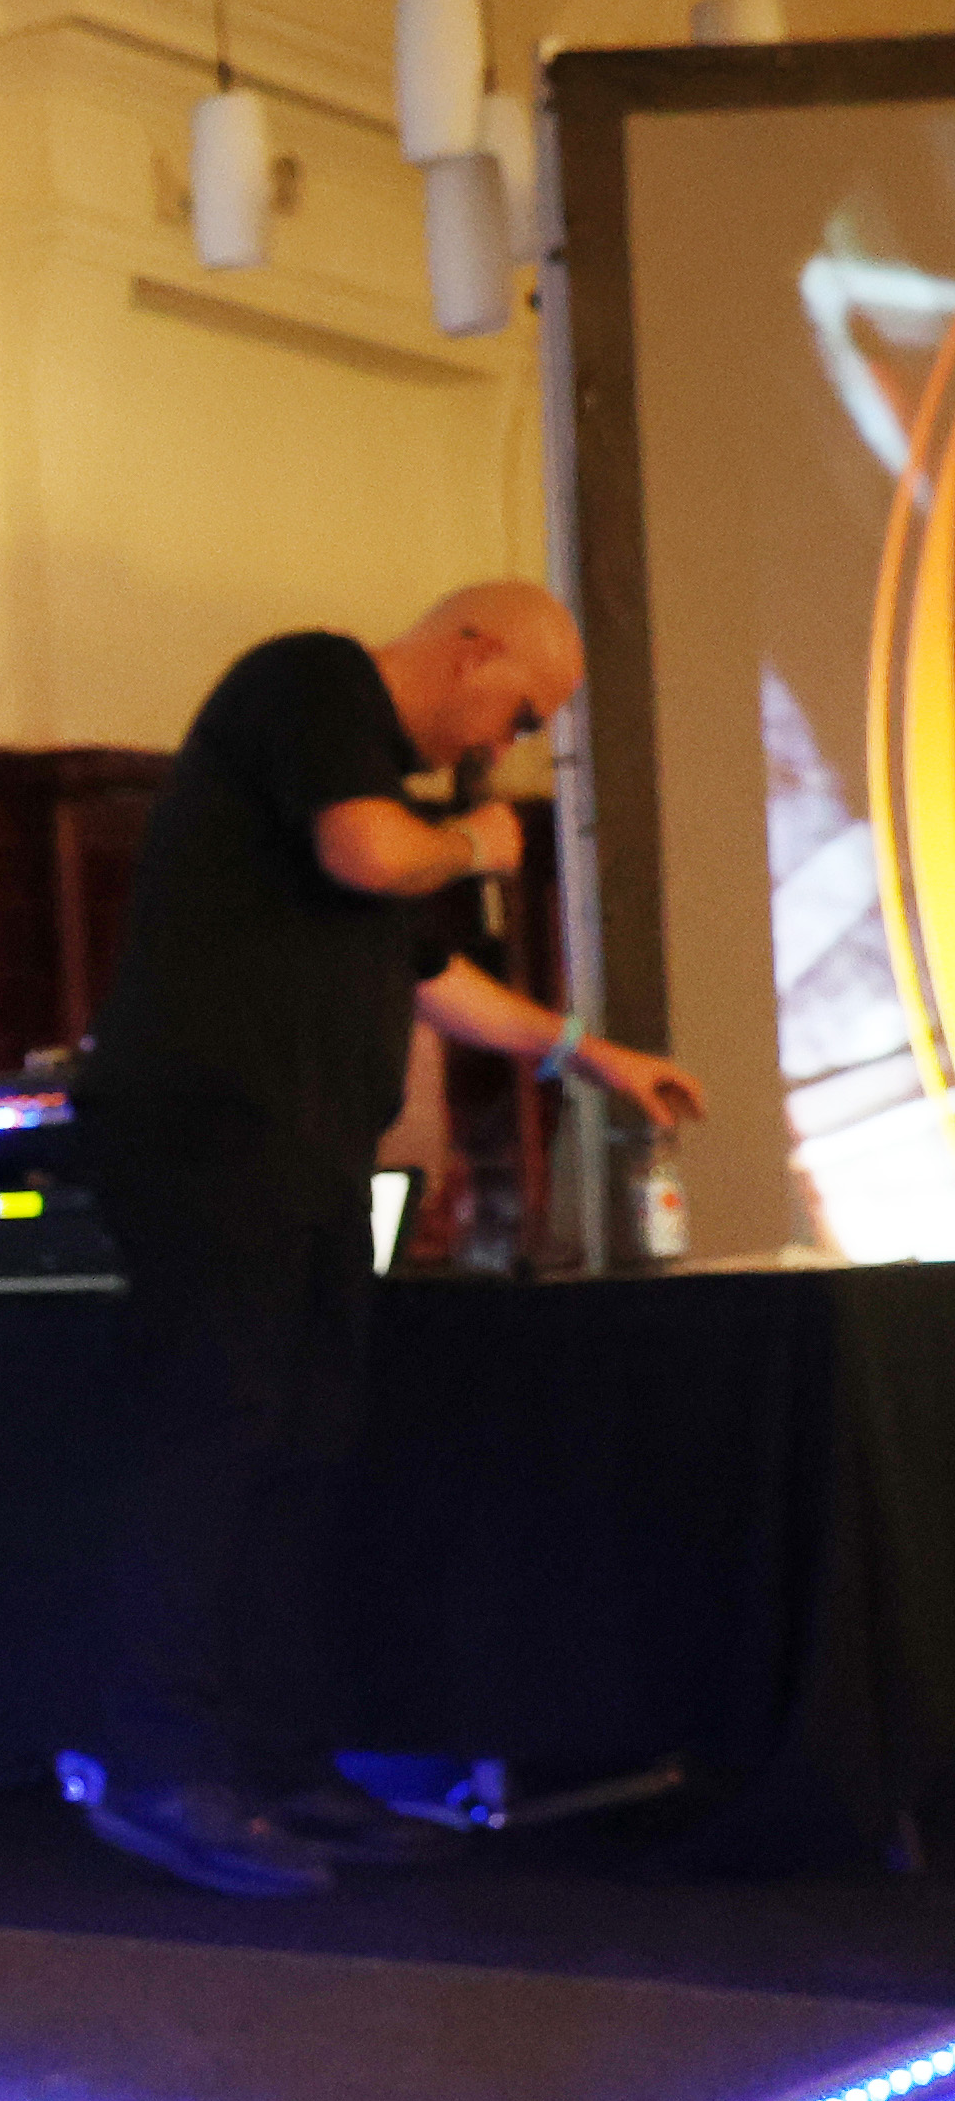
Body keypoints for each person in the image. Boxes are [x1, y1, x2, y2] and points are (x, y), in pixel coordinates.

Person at [68, 580, 707, 1898]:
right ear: (473, 649)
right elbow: (369, 852)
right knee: (220, 1428)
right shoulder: (311, 684)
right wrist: (474, 840)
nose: (504, 744)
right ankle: (160, 1770)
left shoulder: (392, 808)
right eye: (519, 710)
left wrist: (591, 1055)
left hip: (309, 1155)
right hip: (209, 1133)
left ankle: (283, 1766)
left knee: (303, 1445)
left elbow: (427, 974)